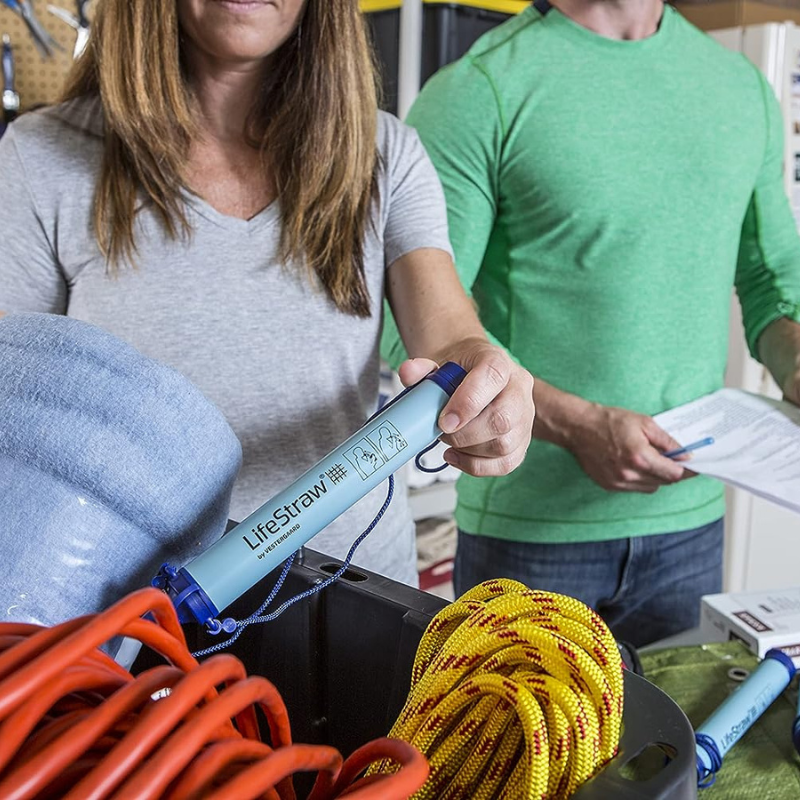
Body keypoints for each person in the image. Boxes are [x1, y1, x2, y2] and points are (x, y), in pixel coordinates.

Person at [0, 0, 534, 588]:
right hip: (123, 601)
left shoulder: (387, 154)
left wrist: (486, 380)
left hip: (352, 589)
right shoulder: (37, 157)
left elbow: (453, 337)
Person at [382, 0, 800, 644]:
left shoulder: (741, 87)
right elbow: (408, 322)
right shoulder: (479, 90)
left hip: (691, 523)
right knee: (513, 748)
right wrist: (577, 426)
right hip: (529, 539)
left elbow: (775, 287)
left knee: (680, 746)